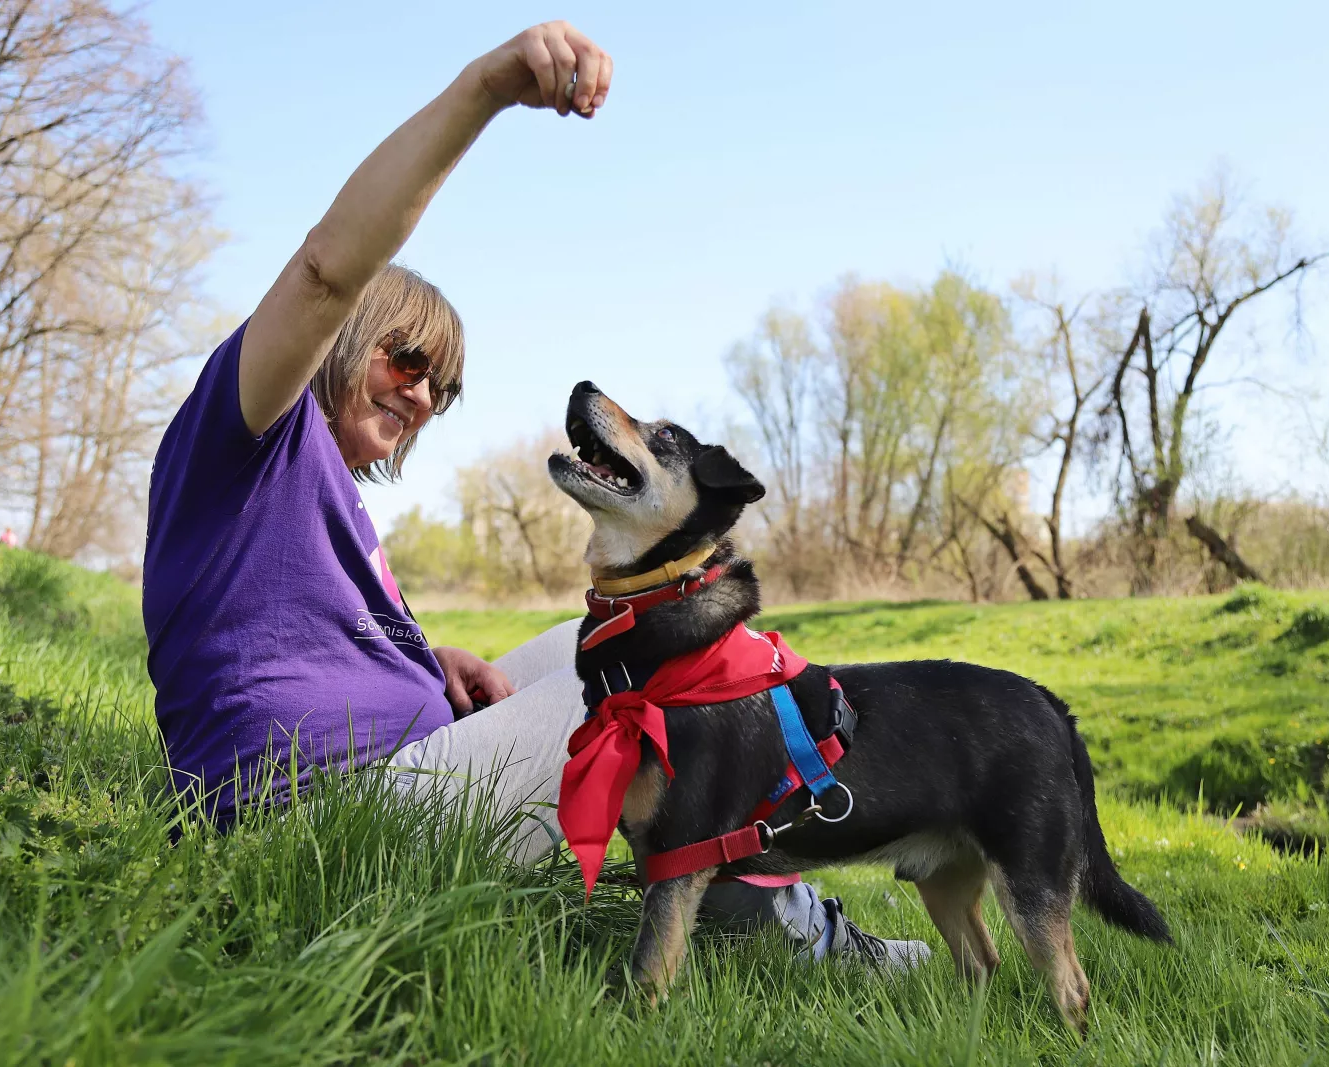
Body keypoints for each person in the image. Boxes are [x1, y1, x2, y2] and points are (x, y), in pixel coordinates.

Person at [143, 21, 927, 971]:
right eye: (407, 358)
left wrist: (421, 663)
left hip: (387, 781)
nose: (421, 396)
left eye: (442, 388)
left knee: (607, 637)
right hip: (317, 830)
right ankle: (772, 927)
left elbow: (286, 636)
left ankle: (739, 894)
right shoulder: (247, 430)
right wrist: (486, 88)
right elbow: (324, 268)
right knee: (656, 687)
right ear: (341, 335)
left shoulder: (317, 487)